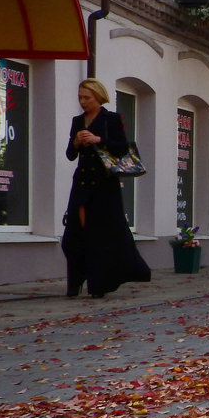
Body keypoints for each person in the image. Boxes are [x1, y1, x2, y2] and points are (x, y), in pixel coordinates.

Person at [61, 78, 151, 298]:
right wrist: (76, 143)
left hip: (104, 185)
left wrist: (98, 139)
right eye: (80, 97)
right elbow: (70, 155)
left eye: (87, 98)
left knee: (100, 235)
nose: (82, 101)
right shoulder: (77, 121)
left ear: (98, 97)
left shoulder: (111, 119)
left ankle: (98, 283)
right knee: (74, 234)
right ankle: (76, 280)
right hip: (82, 182)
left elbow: (122, 148)